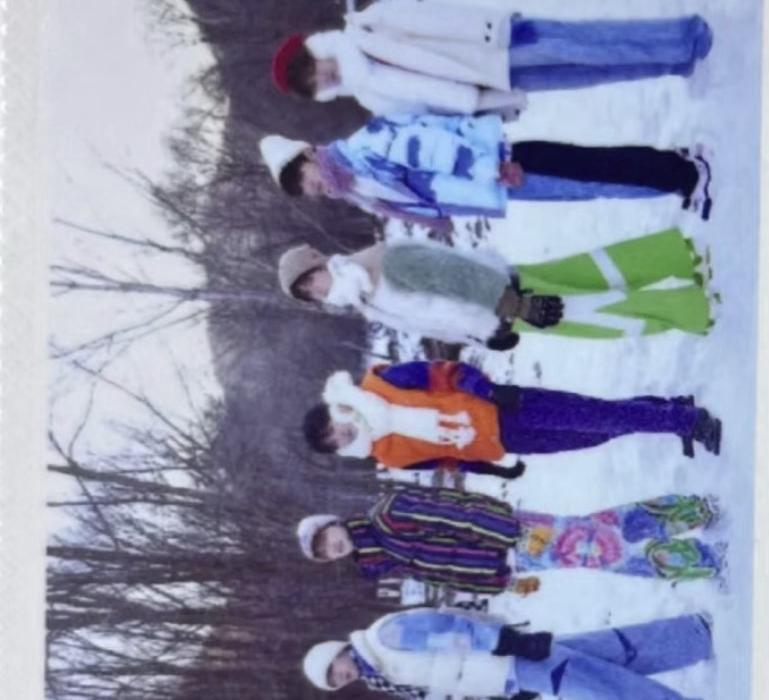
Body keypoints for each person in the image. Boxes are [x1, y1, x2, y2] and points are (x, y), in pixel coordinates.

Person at [301, 609, 718, 700]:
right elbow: (452, 673)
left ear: (339, 651)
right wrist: (504, 690)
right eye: (335, 682)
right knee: (602, 655)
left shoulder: (383, 639)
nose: (342, 676)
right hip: (507, 672)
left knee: (605, 688)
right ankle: (690, 636)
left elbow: (451, 630)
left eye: (335, 669)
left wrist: (507, 642)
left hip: (509, 658)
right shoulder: (382, 668)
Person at [258, 115, 713, 231]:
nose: (317, 188)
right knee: (586, 181)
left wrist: (489, 166)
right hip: (490, 185)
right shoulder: (356, 185)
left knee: (591, 175)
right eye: (310, 191)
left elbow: (431, 146)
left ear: (310, 154)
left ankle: (684, 174)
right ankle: (672, 169)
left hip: (495, 167)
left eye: (309, 178)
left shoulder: (362, 150)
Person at [277, 227, 714, 347]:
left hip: (508, 298)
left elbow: (456, 275)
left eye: (310, 281)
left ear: (320, 261)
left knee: (598, 315)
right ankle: (676, 255)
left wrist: (515, 305)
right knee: (591, 274)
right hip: (503, 309)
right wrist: (482, 336)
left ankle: (694, 308)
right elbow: (435, 318)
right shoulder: (365, 299)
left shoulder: (379, 265)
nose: (317, 291)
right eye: (309, 295)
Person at [270, 1, 712, 115]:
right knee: (588, 72)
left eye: (312, 72)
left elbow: (433, 18)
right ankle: (672, 63)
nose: (322, 80)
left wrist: (491, 27)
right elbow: (431, 109)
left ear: (314, 54)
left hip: (495, 45)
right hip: (495, 85)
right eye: (314, 87)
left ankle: (682, 36)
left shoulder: (365, 28)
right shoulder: (369, 96)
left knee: (589, 42)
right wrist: (491, 109)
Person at [301, 361, 722, 473]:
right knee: (593, 433)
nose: (342, 435)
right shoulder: (387, 456)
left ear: (338, 410)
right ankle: (667, 408)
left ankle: (686, 419)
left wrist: (487, 390)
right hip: (505, 443)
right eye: (333, 442)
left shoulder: (380, 386)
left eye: (333, 428)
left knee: (598, 416)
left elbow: (444, 372)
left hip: (503, 407)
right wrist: (491, 470)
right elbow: (446, 461)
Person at [296, 487, 724, 592]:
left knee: (604, 551)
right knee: (600, 530)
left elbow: (457, 511)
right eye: (323, 554)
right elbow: (445, 574)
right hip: (514, 559)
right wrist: (501, 582)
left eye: (324, 539)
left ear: (333, 523)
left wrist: (511, 532)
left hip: (515, 534)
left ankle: (703, 558)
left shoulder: (389, 514)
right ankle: (689, 511)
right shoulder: (384, 560)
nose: (330, 549)